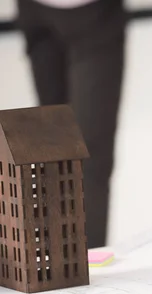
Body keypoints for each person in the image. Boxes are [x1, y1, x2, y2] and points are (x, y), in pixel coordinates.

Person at [16, 0, 127, 248]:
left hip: (92, 13)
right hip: (35, 12)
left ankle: (86, 272)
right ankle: (59, 269)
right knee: (53, 154)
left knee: (87, 158)